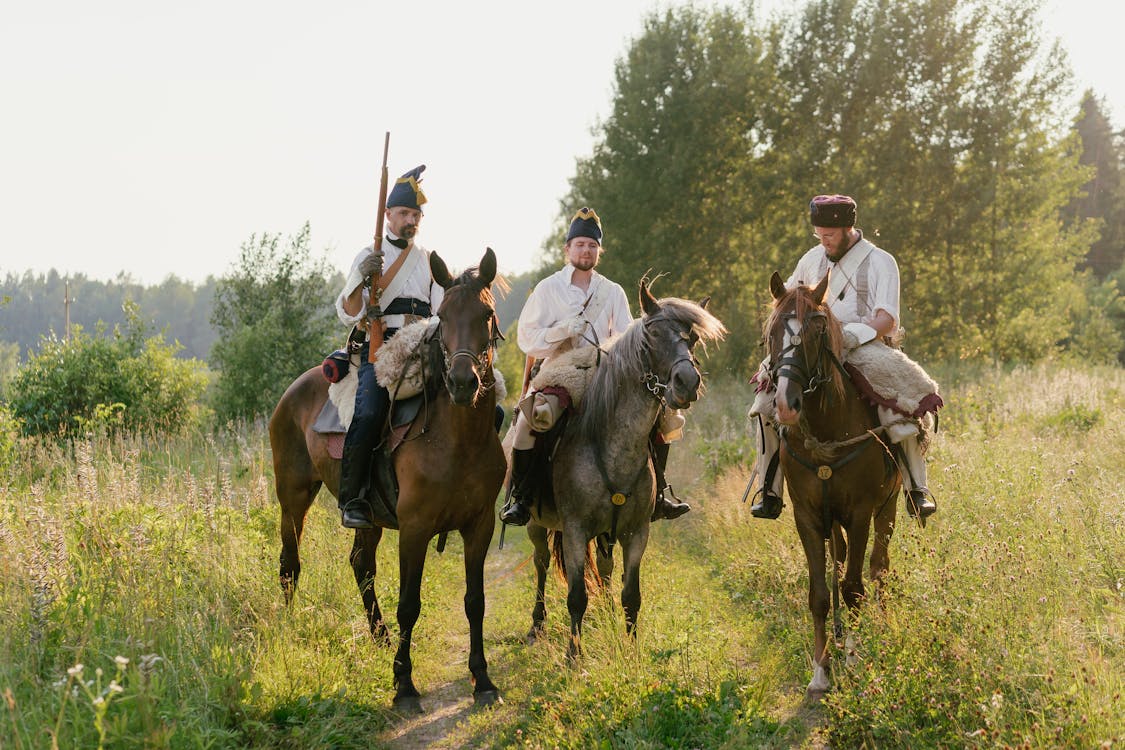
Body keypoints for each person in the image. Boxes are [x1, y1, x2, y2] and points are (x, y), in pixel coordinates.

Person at [748, 194, 939, 521]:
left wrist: (852, 335)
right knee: (766, 399)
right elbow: (789, 303)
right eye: (819, 235)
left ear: (848, 228)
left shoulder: (881, 261)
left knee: (902, 402)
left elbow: (887, 319)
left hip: (865, 344)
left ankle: (915, 487)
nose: (824, 241)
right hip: (812, 346)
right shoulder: (810, 259)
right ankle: (770, 489)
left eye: (830, 235)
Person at [498, 207, 691, 527]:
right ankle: (522, 496)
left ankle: (657, 496)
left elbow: (631, 338)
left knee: (664, 416)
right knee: (530, 421)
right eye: (580, 244)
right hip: (560, 369)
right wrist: (561, 332)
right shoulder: (548, 289)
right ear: (568, 249)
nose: (586, 250)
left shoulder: (611, 291)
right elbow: (526, 339)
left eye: (592, 245)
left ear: (599, 251)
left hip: (607, 371)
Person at [335, 165, 444, 529]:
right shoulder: (369, 253)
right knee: (368, 415)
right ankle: (353, 499)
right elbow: (350, 312)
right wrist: (360, 276)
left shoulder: (429, 259)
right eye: (404, 214)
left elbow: (442, 309)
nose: (410, 220)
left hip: (425, 346)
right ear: (388, 216)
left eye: (415, 215)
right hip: (382, 350)